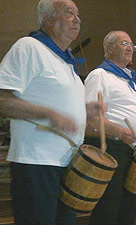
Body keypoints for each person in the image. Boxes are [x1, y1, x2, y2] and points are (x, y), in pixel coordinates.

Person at [0, 0, 104, 224]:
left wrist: (86, 110)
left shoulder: (66, 62)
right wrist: (48, 113)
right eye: (69, 14)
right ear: (48, 19)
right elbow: (3, 100)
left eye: (78, 15)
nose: (78, 19)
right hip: (36, 162)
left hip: (67, 164)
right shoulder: (28, 46)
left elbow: (59, 103)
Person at [84, 30, 136, 225]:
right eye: (123, 43)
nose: (129, 48)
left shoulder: (128, 80)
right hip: (111, 148)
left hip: (130, 149)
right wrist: (119, 131)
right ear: (108, 48)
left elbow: (125, 112)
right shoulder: (100, 75)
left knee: (127, 207)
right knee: (109, 208)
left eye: (131, 45)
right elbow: (90, 117)